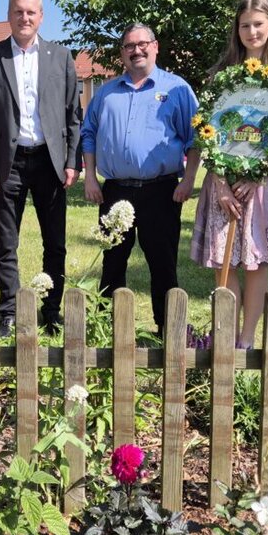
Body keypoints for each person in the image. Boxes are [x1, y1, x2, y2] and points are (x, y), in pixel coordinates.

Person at [0, 0, 81, 336]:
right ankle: (8, 312)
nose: (24, 18)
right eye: (18, 11)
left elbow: (73, 114)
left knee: (55, 243)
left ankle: (51, 311)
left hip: (50, 161)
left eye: (31, 12)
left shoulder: (60, 56)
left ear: (41, 16)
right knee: (6, 243)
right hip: (9, 162)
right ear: (9, 15)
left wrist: (72, 160)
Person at [81, 23, 200, 336]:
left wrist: (188, 180)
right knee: (112, 262)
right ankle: (108, 330)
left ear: (155, 46)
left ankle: (168, 330)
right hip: (115, 191)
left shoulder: (177, 90)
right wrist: (90, 178)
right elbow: (88, 134)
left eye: (142, 44)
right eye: (129, 46)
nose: (136, 50)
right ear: (122, 53)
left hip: (162, 191)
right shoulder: (106, 93)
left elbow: (196, 137)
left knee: (162, 263)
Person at [190, 0, 268, 349]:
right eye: (245, 25)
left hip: (263, 182)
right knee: (224, 257)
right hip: (223, 178)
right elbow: (206, 131)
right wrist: (220, 181)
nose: (252, 32)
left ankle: (246, 341)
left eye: (258, 24)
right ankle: (226, 337)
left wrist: (256, 175)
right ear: (236, 29)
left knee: (254, 261)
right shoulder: (221, 74)